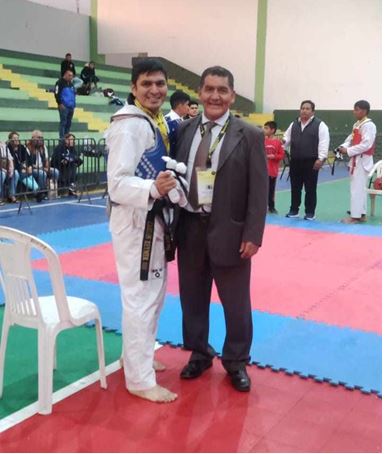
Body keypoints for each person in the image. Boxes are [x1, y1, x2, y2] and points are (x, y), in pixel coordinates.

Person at [175, 66, 268, 392]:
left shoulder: (250, 135)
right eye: (209, 89)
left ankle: (236, 361)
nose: (215, 96)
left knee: (237, 304)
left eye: (222, 90)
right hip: (189, 228)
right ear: (199, 93)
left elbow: (259, 191)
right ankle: (199, 354)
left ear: (231, 95)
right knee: (192, 299)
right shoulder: (184, 130)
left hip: (231, 232)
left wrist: (253, 235)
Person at [105, 59, 186, 403]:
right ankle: (139, 379)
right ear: (134, 88)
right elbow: (117, 184)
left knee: (152, 294)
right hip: (136, 220)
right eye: (147, 84)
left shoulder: (153, 122)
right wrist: (153, 188)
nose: (155, 90)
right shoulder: (130, 125)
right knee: (141, 298)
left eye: (160, 83)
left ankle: (135, 358)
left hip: (152, 218)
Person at [283, 100, 330, 220]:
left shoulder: (320, 125)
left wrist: (321, 158)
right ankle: (294, 210)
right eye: (302, 108)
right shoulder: (293, 124)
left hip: (311, 161)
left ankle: (310, 212)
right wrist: (280, 146)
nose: (304, 110)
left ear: (313, 111)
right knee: (295, 187)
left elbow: (324, 143)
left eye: (307, 108)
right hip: (295, 161)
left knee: (310, 188)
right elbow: (286, 139)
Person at [338, 100, 377, 224]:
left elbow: (366, 144)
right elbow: (350, 139)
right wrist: (341, 147)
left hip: (361, 160)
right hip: (356, 159)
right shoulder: (357, 124)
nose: (354, 111)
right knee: (359, 188)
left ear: (364, 111)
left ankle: (355, 216)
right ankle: (361, 214)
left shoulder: (369, 125)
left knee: (357, 188)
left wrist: (348, 150)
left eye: (357, 109)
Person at [264, 121, 285, 214]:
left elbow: (281, 155)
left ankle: (271, 207)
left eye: (266, 128)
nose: (264, 130)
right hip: (262, 171)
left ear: (272, 130)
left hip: (272, 171)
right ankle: (261, 207)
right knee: (261, 190)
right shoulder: (262, 140)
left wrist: (274, 156)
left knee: (271, 190)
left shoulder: (277, 142)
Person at [165, 90, 191, 156]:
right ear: (180, 105)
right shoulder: (170, 122)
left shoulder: (180, 120)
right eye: (187, 105)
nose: (189, 108)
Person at [55, 70, 76, 139]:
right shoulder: (59, 82)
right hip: (64, 106)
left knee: (68, 123)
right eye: (69, 75)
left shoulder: (71, 84)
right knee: (63, 123)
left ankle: (67, 138)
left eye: (72, 76)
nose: (71, 77)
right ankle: (62, 139)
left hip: (71, 107)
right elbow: (56, 93)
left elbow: (73, 94)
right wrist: (60, 103)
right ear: (65, 75)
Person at [0, 141, 18, 205]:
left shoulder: (4, 145)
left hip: (5, 167)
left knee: (15, 173)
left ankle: (11, 195)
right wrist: (4, 170)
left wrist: (11, 169)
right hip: (1, 169)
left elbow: (10, 158)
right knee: (2, 174)